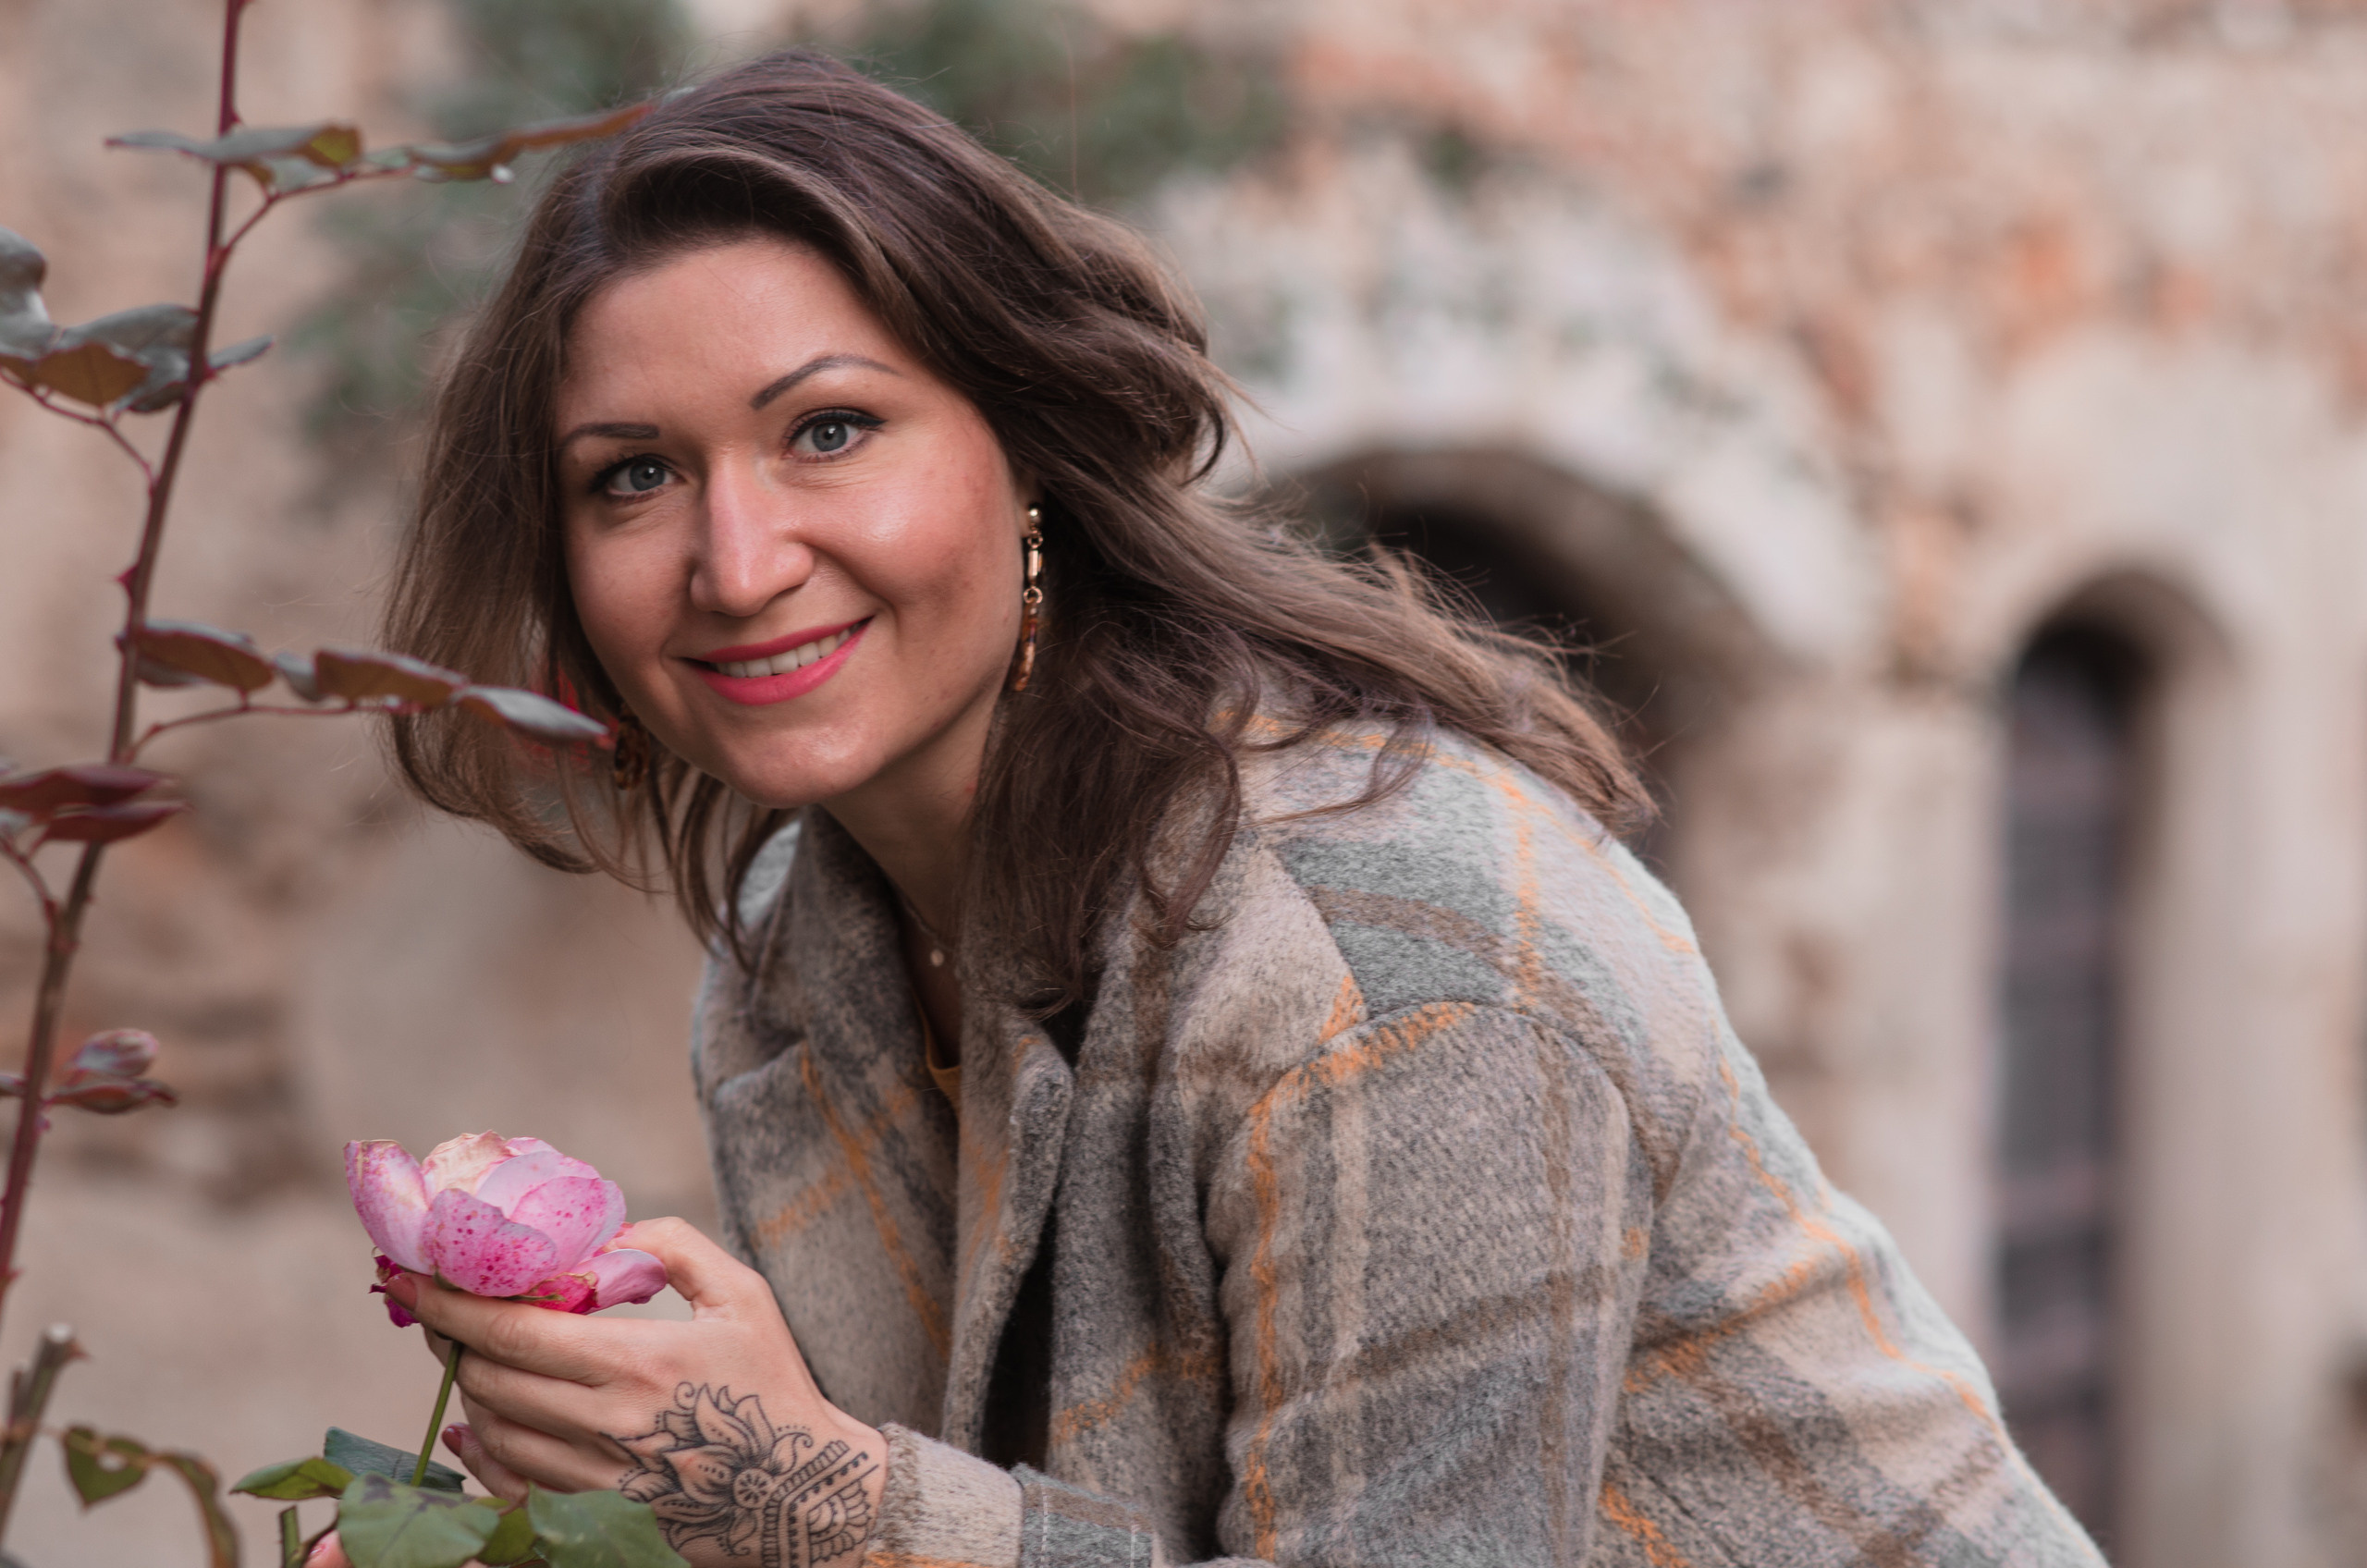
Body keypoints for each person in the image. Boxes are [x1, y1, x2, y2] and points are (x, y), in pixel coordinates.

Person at [337, 48, 2105, 1568]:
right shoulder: (814, 943)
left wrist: (803, 1490)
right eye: (635, 477)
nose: (737, 561)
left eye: (829, 433)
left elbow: (870, 1513)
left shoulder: (1389, 967)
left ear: (1026, 451)